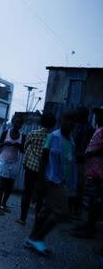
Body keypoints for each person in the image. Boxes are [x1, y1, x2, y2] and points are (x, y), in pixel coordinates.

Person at [25, 111, 77, 256]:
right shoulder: (53, 136)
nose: (71, 123)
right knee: (62, 213)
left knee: (45, 211)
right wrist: (40, 182)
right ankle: (38, 238)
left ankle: (31, 238)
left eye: (74, 121)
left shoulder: (71, 140)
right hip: (52, 180)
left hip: (62, 182)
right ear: (62, 120)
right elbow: (44, 159)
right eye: (68, 119)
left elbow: (70, 164)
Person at [16, 113, 56, 225]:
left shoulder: (33, 134)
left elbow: (25, 147)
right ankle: (37, 220)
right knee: (40, 196)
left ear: (41, 122)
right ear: (53, 124)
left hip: (30, 167)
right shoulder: (53, 137)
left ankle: (22, 218)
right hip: (44, 170)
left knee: (27, 193)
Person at [70, 106, 103, 239]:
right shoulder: (97, 129)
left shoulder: (89, 128)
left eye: (100, 115)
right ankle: (89, 225)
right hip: (92, 169)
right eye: (97, 114)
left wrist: (91, 153)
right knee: (91, 198)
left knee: (93, 199)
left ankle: (90, 228)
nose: (97, 117)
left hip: (98, 171)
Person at [0, 114, 25, 215]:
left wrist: (19, 146)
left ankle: (4, 204)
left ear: (21, 125)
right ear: (12, 122)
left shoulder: (22, 136)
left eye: (20, 123)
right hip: (4, 161)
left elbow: (23, 150)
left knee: (10, 186)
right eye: (16, 122)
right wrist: (5, 144)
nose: (18, 124)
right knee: (2, 185)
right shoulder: (5, 132)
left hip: (14, 162)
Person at [70, 107, 94, 218]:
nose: (76, 116)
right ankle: (72, 209)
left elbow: (85, 147)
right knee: (73, 185)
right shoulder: (78, 126)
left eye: (78, 114)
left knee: (79, 186)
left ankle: (76, 211)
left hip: (81, 161)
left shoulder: (88, 128)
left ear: (83, 115)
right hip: (75, 159)